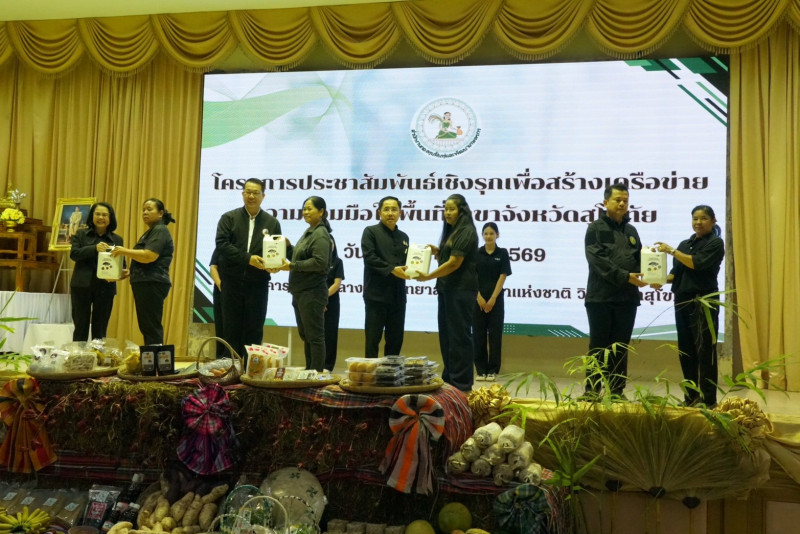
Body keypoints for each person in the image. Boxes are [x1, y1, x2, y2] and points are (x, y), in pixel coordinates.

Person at [654, 205, 725, 407]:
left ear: (713, 221)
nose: (698, 222)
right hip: (682, 301)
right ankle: (691, 398)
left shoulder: (715, 243)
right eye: (695, 218)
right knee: (686, 351)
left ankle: (708, 400)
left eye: (703, 218)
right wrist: (657, 279)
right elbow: (675, 274)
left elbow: (696, 263)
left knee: (705, 352)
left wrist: (671, 251)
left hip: (703, 302)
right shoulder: (685, 244)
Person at [583, 183, 647, 398]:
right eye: (617, 200)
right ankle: (592, 391)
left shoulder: (631, 231)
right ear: (605, 202)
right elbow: (597, 260)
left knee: (620, 347)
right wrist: (625, 276)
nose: (622, 204)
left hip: (627, 298)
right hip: (600, 298)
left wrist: (652, 276)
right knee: (599, 346)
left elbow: (639, 259)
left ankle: (616, 392)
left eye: (625, 201)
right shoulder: (595, 228)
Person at [416, 194, 479, 392]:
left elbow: (454, 263)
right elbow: (449, 258)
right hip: (446, 289)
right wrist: (438, 251)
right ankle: (450, 378)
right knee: (447, 336)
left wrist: (428, 276)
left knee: (459, 337)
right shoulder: (452, 232)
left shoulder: (466, 231)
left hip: (461, 290)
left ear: (462, 211)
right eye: (445, 209)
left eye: (451, 209)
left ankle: (461, 383)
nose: (447, 213)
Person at [215, 178, 282, 359]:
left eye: (256, 193)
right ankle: (231, 369)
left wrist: (274, 266)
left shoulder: (272, 222)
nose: (251, 196)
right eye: (248, 192)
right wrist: (248, 259)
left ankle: (251, 371)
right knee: (231, 330)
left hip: (258, 285)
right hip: (231, 284)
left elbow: (275, 251)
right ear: (243, 194)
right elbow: (222, 245)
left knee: (254, 330)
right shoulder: (229, 218)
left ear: (263, 196)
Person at [277, 196, 332, 372]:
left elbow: (319, 262)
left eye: (310, 208)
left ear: (321, 212)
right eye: (304, 209)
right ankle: (310, 371)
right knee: (307, 336)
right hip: (301, 292)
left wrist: (292, 266)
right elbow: (301, 256)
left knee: (315, 337)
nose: (306, 212)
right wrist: (288, 247)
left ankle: (316, 374)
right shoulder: (310, 231)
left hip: (312, 292)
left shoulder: (321, 234)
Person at [111, 198, 175, 345]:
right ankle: (151, 357)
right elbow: (144, 259)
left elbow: (149, 256)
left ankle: (155, 358)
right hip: (146, 281)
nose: (145, 212)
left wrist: (123, 251)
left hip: (152, 282)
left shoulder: (159, 230)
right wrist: (130, 272)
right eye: (143, 209)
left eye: (149, 209)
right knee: (147, 326)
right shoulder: (151, 231)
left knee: (151, 326)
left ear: (160, 213)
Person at [361, 196, 410, 358]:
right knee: (372, 340)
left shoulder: (404, 237)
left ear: (400, 213)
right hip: (376, 296)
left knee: (395, 340)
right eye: (386, 209)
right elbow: (370, 258)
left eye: (394, 209)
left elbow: (407, 263)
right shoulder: (370, 232)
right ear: (379, 212)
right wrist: (392, 270)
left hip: (398, 297)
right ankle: (370, 373)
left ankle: (391, 373)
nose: (390, 213)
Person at [69, 202, 125, 341]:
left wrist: (121, 274)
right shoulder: (80, 234)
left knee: (100, 327)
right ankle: (79, 353)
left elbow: (121, 264)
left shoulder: (117, 239)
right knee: (80, 325)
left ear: (110, 218)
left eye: (105, 215)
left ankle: (98, 352)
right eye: (98, 214)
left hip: (106, 287)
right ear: (92, 216)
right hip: (81, 285)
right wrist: (94, 248)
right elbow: (74, 254)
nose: (101, 217)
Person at [474, 222, 512, 382]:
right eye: (486, 233)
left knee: (495, 336)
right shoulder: (476, 253)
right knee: (478, 336)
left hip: (496, 301)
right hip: (478, 301)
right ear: (482, 235)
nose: (488, 236)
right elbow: (472, 276)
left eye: (492, 233)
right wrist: (479, 297)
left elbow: (503, 276)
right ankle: (480, 370)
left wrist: (492, 298)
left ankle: (493, 370)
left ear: (497, 235)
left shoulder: (502, 253)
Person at [324, 239, 344, 371]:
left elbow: (337, 284)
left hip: (332, 302)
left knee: (330, 334)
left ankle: (328, 366)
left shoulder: (337, 262)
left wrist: (323, 297)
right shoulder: (315, 261)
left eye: (331, 243)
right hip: (315, 301)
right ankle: (314, 365)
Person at [209, 248, 225, 358]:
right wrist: (221, 286)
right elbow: (213, 267)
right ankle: (220, 358)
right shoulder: (222, 246)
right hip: (221, 291)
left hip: (238, 292)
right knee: (221, 326)